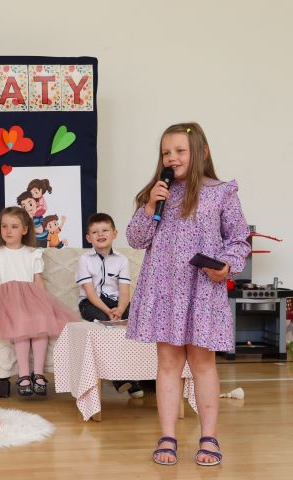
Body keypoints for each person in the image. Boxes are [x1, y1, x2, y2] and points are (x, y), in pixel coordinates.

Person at [126, 122, 250, 466]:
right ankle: (167, 436)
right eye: (166, 152)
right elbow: (136, 239)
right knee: (168, 364)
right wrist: (150, 207)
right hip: (164, 289)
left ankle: (208, 437)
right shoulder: (156, 194)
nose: (172, 158)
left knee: (202, 363)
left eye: (180, 150)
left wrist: (227, 265)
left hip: (202, 289)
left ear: (201, 152)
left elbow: (238, 238)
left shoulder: (221, 192)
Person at [0, 207, 77, 397]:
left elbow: (38, 280)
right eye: (4, 226)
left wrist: (45, 303)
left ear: (25, 230)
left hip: (31, 296)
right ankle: (24, 375)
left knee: (41, 321)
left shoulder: (33, 253)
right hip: (6, 298)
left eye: (14, 226)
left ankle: (39, 375)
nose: (8, 231)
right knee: (21, 323)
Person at [76, 212, 143, 398]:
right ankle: (122, 380)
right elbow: (90, 293)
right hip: (91, 303)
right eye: (95, 232)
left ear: (114, 233)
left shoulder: (122, 260)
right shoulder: (84, 260)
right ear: (88, 238)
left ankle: (136, 375)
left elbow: (124, 291)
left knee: (133, 323)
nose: (100, 234)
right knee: (107, 325)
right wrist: (108, 312)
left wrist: (120, 310)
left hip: (117, 303)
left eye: (105, 230)